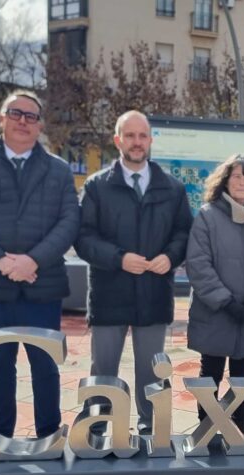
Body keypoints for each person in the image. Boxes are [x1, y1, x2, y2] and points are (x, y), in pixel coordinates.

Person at [0, 90, 80, 438]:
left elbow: (69, 222)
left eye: (31, 116)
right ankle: (1, 437)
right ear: (1, 119)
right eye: (16, 113)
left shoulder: (59, 170)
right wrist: (0, 261)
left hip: (43, 283)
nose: (23, 121)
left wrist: (33, 260)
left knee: (45, 365)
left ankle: (48, 434)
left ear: (40, 126)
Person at [75, 110, 192, 435]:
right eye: (130, 136)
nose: (137, 142)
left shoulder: (172, 188)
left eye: (142, 136)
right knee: (103, 371)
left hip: (154, 295)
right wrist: (118, 258)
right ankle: (95, 432)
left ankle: (150, 431)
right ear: (118, 141)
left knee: (152, 371)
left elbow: (184, 233)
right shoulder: (97, 187)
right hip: (109, 294)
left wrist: (170, 256)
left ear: (150, 140)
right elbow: (83, 238)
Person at [186, 154, 244, 432]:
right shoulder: (207, 216)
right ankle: (206, 430)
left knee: (243, 376)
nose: (242, 182)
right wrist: (225, 301)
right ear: (224, 181)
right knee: (210, 374)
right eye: (236, 176)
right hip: (215, 312)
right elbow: (198, 264)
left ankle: (239, 431)